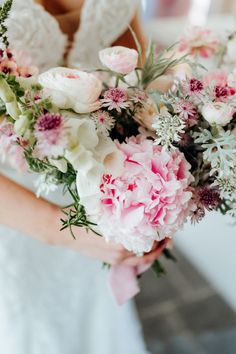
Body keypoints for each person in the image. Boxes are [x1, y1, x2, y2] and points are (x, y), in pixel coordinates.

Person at [0, 1, 167, 353]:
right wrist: (64, 230)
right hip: (14, 214)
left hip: (92, 202)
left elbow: (136, 96)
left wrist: (154, 200)